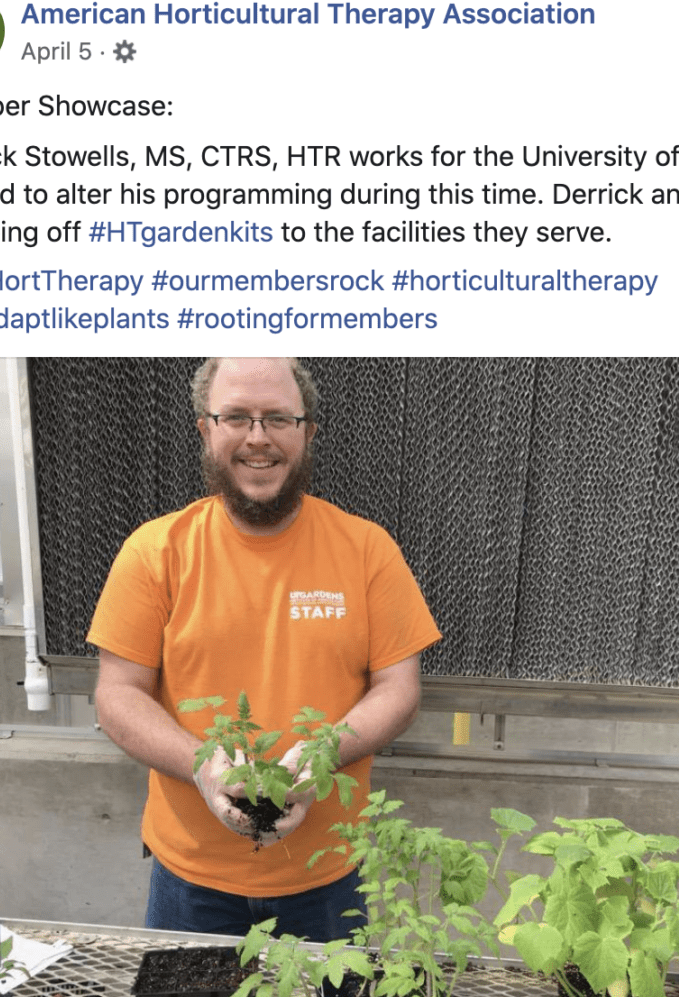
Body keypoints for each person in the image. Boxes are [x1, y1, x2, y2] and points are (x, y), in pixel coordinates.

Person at [89, 357, 441, 940]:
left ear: (308, 432)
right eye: (237, 417)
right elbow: (117, 694)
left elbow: (399, 689)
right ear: (206, 429)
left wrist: (319, 756)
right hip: (191, 881)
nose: (258, 437)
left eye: (279, 418)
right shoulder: (155, 553)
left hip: (328, 875)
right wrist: (206, 770)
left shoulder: (366, 550)